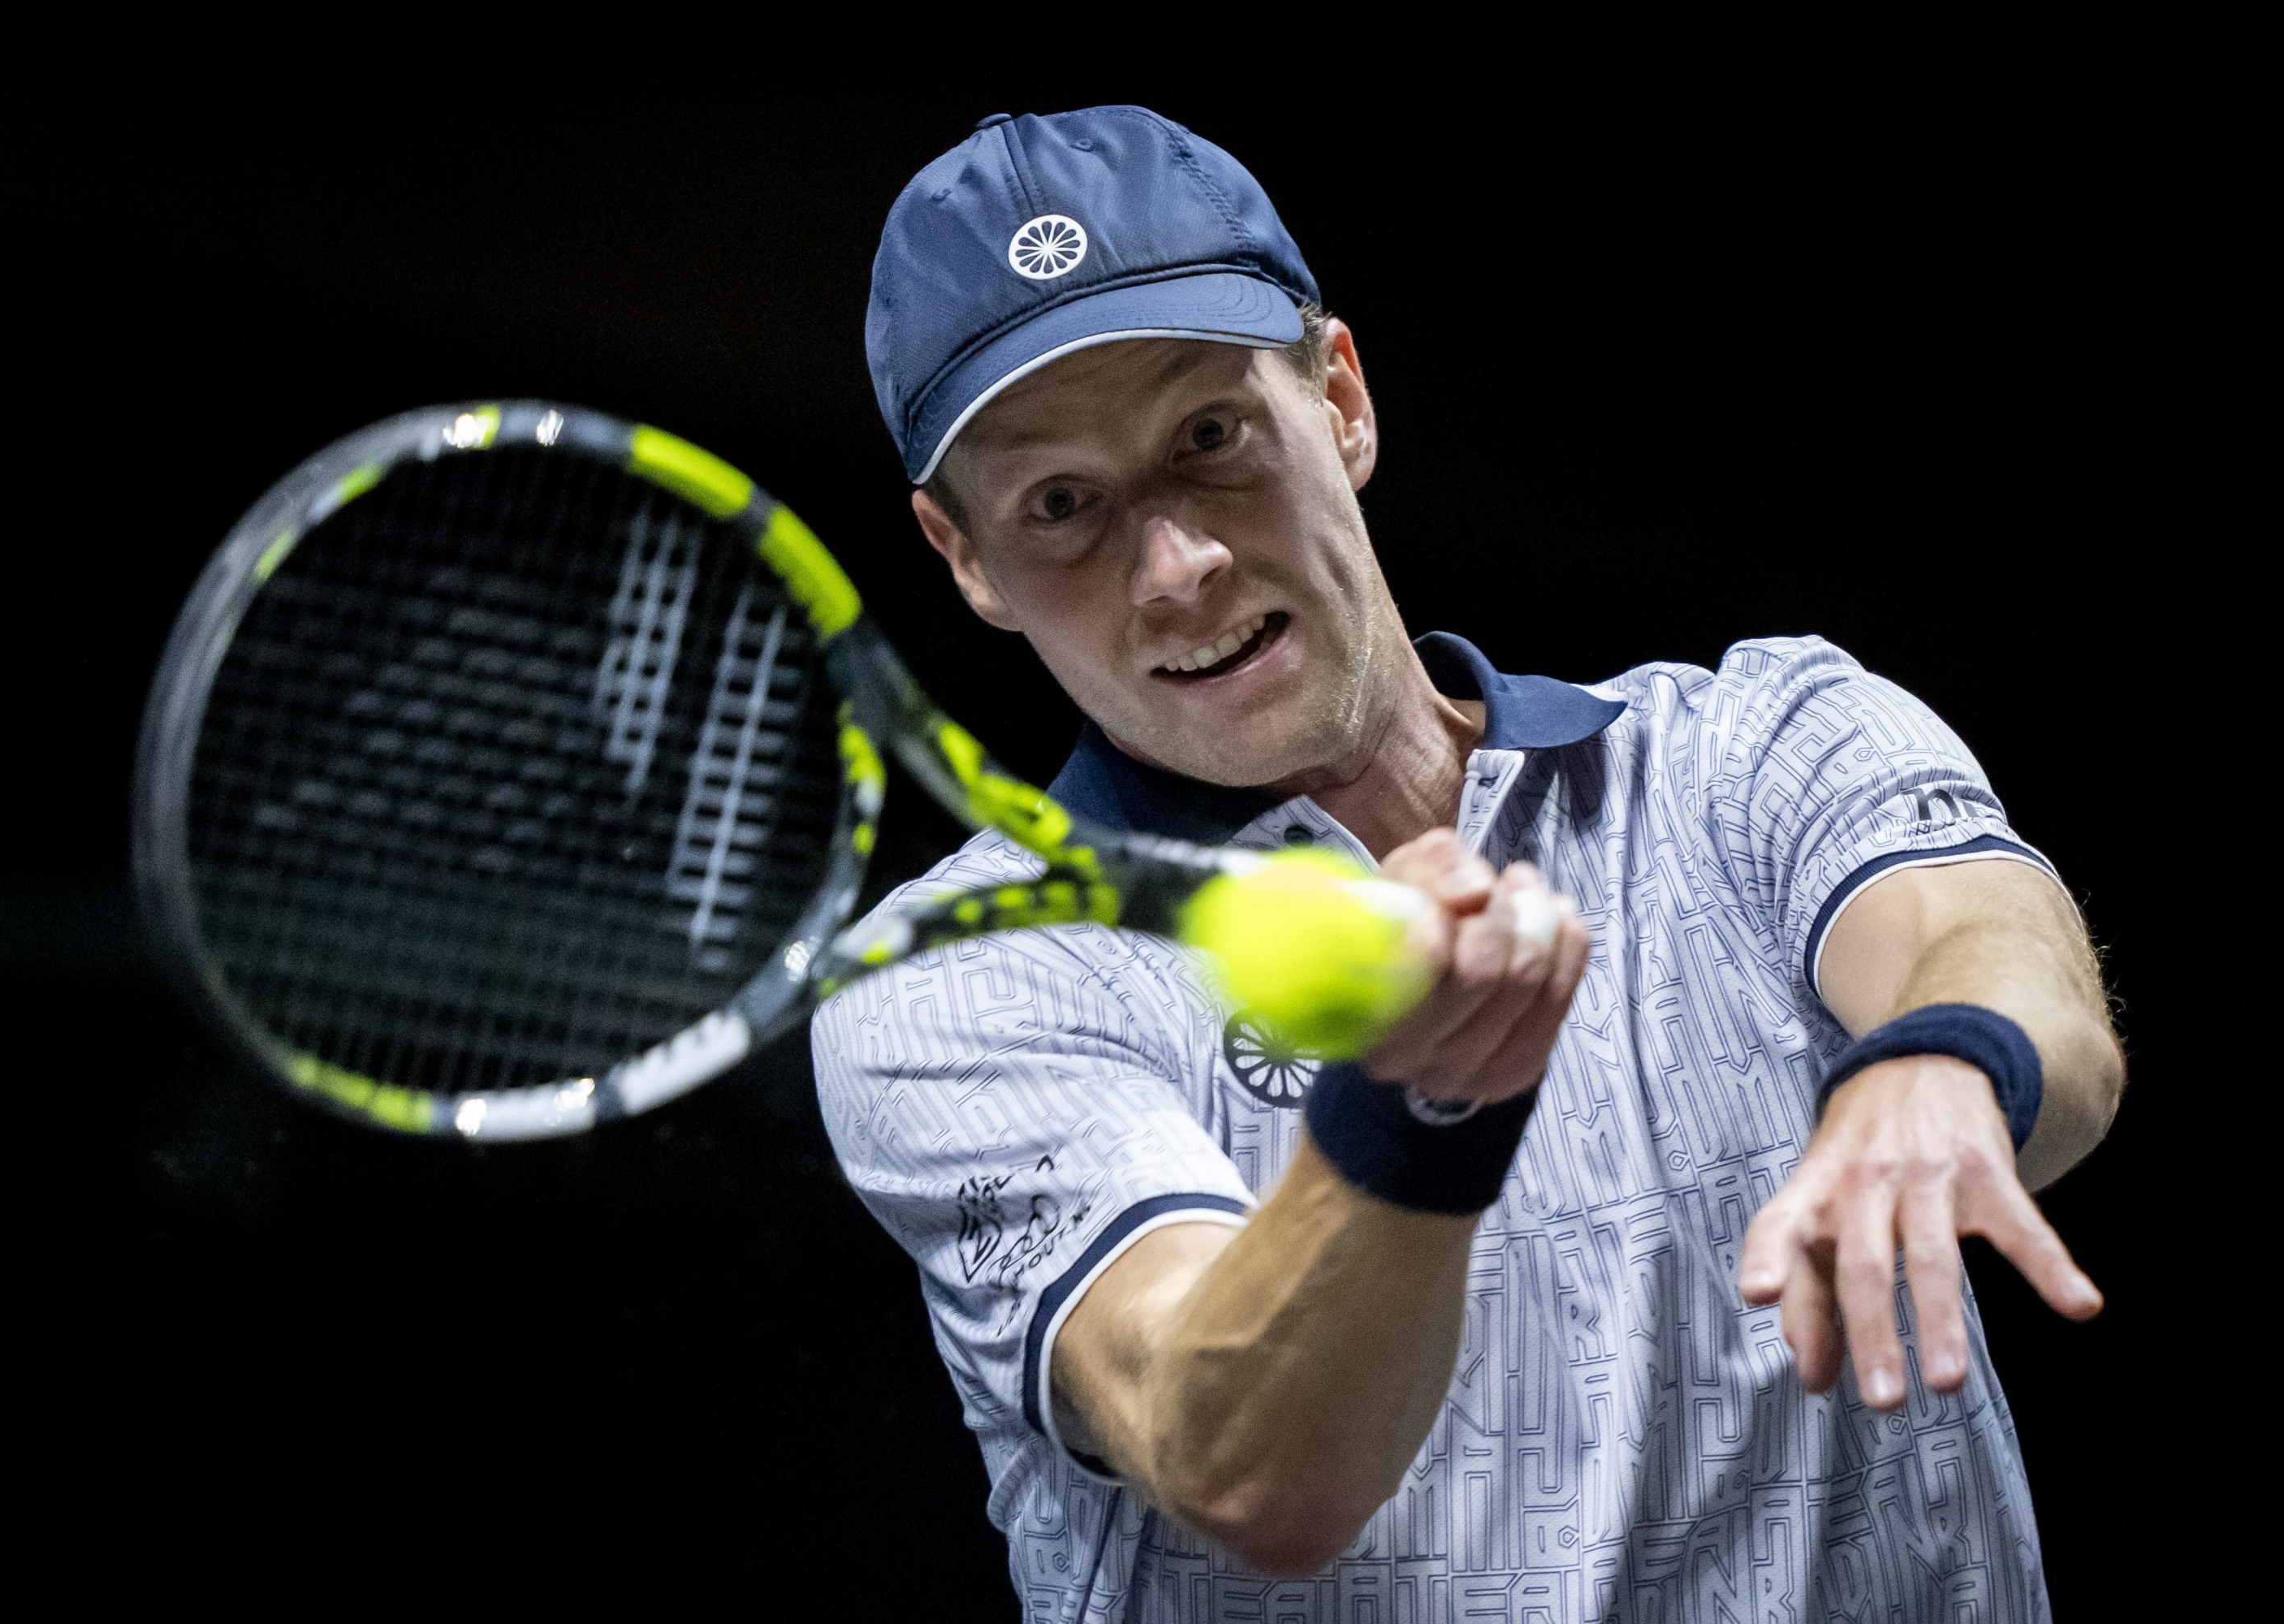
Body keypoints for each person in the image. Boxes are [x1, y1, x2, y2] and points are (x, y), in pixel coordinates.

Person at [813, 106, 2119, 1622]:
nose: (1176, 567)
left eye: (1209, 436)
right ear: (962, 557)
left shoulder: (1750, 746)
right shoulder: (963, 976)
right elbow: (1229, 1454)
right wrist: (1417, 1112)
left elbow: (2005, 960)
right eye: (1062, 507)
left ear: (1342, 401)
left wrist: (1942, 1067)